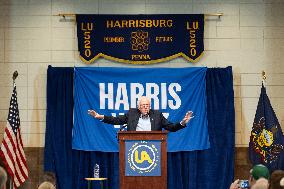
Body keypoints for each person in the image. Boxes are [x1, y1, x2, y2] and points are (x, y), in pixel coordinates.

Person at [88, 96, 194, 132]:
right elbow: (116, 120)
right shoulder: (131, 113)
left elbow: (171, 127)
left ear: (150, 106)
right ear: (138, 107)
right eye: (143, 105)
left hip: (154, 146)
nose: (145, 107)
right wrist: (100, 116)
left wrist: (183, 122)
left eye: (147, 105)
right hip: (133, 145)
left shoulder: (157, 115)